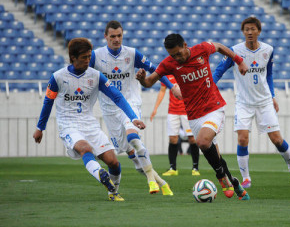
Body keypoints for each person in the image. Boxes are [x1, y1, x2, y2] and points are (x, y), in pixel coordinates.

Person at [136, 33, 250, 200]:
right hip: (194, 115)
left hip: (214, 107)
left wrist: (239, 60)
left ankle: (221, 177)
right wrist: (142, 80)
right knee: (215, 156)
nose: (176, 58)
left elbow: (219, 46)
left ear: (185, 45)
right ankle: (235, 183)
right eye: (172, 55)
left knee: (202, 142)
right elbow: (149, 82)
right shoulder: (169, 63)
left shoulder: (202, 49)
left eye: (178, 53)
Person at [33, 38, 146, 202]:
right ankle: (101, 174)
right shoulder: (57, 77)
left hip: (90, 124)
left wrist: (133, 118)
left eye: (88, 57)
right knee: (85, 148)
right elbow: (48, 102)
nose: (88, 60)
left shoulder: (96, 76)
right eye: (84, 57)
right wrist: (40, 127)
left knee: (113, 162)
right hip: (68, 124)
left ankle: (113, 192)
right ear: (73, 57)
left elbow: (117, 96)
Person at [89, 20, 178, 195]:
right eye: (112, 36)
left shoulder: (132, 53)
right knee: (134, 159)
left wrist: (172, 87)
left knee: (133, 137)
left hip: (130, 103)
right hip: (109, 110)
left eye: (119, 36)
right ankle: (162, 183)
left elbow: (157, 69)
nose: (116, 39)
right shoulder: (95, 56)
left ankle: (152, 182)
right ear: (105, 36)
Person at [213, 16, 290, 188]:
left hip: (264, 102)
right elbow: (218, 71)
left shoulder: (268, 50)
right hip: (243, 103)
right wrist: (209, 88)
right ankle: (246, 178)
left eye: (253, 29)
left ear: (259, 31)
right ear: (243, 32)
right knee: (242, 138)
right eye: (246, 29)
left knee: (277, 139)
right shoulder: (234, 51)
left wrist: (273, 95)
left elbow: (268, 74)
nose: (249, 32)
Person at [150, 74, 200, 176]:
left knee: (192, 138)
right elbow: (162, 91)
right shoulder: (167, 75)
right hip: (172, 111)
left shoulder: (186, 72)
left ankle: (195, 168)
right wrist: (155, 108)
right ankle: (173, 168)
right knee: (173, 139)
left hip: (187, 111)